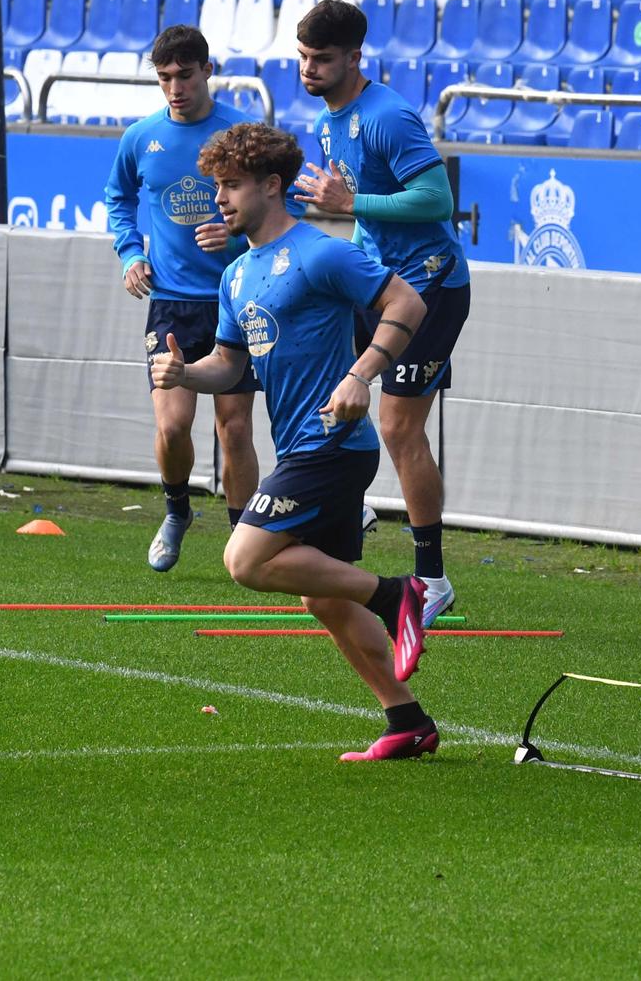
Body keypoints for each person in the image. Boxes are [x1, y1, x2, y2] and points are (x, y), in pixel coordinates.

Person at [152, 121, 437, 761]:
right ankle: (407, 721)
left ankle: (397, 593)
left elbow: (408, 304)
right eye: (216, 185)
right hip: (303, 446)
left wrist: (361, 374)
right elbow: (228, 366)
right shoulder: (236, 273)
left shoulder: (321, 253)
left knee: (245, 560)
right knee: (323, 596)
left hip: (333, 443)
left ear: (272, 186)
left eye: (231, 185)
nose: (219, 198)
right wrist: (185, 374)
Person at [290, 0, 467, 626]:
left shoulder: (387, 116)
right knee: (332, 394)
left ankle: (432, 579)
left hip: (431, 286)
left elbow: (437, 199)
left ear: (354, 58)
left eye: (321, 59)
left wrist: (351, 202)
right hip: (380, 283)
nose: (308, 69)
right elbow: (354, 207)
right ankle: (347, 510)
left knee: (398, 427)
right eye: (302, 57)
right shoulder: (328, 120)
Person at [105, 25, 262, 571]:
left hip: (234, 299)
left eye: (185, 76)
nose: (175, 88)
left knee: (234, 428)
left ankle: (244, 539)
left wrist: (237, 237)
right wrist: (130, 253)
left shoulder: (241, 136)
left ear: (207, 71)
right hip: (171, 304)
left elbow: (282, 207)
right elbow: (118, 197)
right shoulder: (141, 138)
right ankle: (177, 511)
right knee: (172, 426)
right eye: (164, 77)